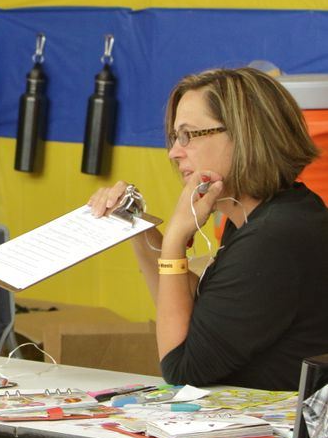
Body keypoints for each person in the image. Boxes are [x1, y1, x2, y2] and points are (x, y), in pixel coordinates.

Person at [89, 67, 328, 391]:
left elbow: (180, 367)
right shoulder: (268, 215)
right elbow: (192, 315)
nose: (174, 152)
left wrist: (175, 238)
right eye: (174, 137)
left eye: (188, 135)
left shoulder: (273, 239)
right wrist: (134, 224)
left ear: (244, 134)